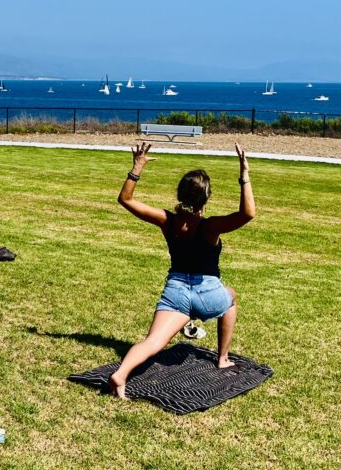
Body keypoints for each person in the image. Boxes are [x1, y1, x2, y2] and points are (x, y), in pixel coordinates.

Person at [108, 142, 256, 398]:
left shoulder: (168, 221)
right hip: (208, 294)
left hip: (175, 292)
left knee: (153, 342)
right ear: (206, 198)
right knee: (231, 296)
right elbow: (248, 213)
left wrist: (137, 167)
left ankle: (121, 374)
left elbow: (126, 199)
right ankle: (222, 358)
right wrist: (244, 175)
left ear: (180, 195)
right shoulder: (210, 226)